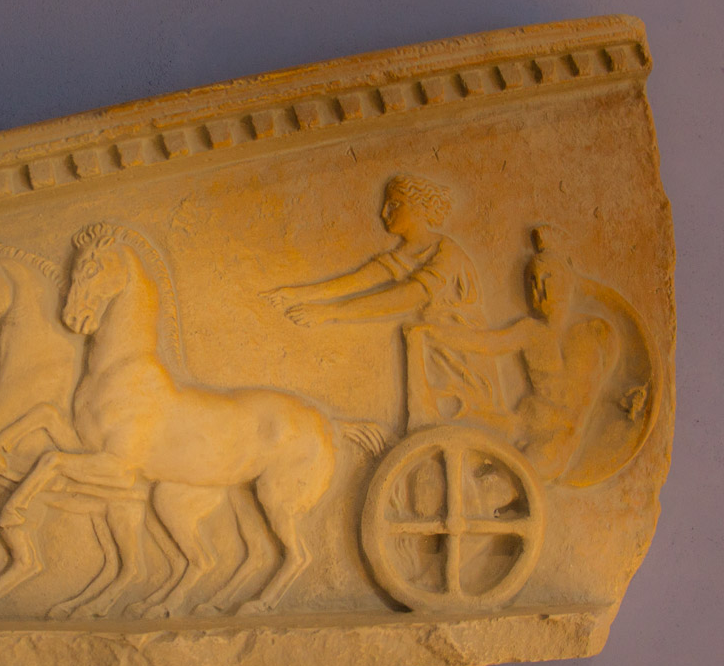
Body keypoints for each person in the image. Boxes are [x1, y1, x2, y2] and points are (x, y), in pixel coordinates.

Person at [263, 174, 499, 428]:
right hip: (430, 347)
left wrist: (330, 312)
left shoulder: (447, 252)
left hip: (459, 354)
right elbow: (360, 280)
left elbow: (409, 298)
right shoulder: (405, 254)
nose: (384, 213)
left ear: (420, 208)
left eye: (395, 205)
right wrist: (298, 293)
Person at [416, 227, 617, 481]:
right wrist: (433, 333)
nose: (539, 290)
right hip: (519, 424)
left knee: (499, 484)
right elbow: (485, 343)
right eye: (532, 281)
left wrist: (626, 402)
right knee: (457, 417)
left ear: (567, 281)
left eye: (548, 278)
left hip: (554, 441)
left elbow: (605, 386)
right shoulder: (530, 331)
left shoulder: (596, 331)